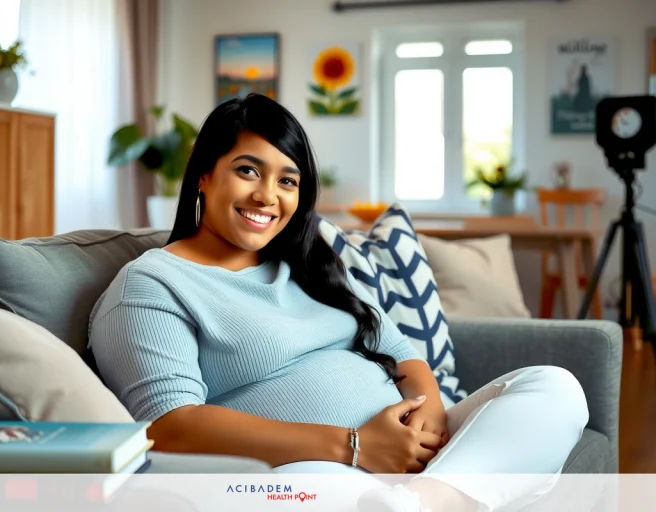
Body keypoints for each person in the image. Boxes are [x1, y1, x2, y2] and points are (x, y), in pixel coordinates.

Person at [88, 94, 589, 512]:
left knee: (554, 387)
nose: (267, 196)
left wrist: (430, 415)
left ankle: (427, 502)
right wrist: (354, 446)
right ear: (203, 175)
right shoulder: (152, 284)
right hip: (308, 471)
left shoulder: (308, 261)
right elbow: (171, 427)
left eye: (287, 180)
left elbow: (399, 348)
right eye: (248, 171)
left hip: (415, 456)